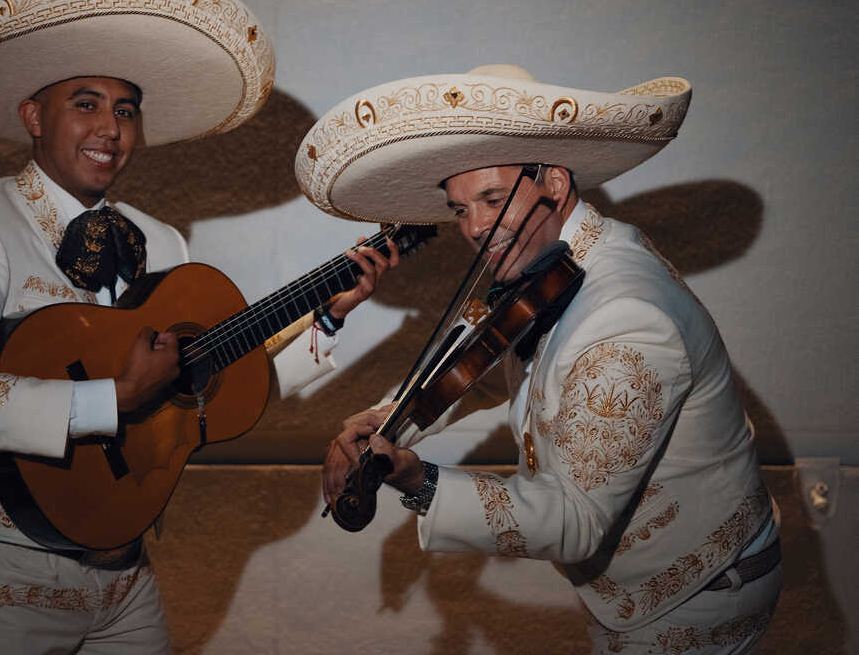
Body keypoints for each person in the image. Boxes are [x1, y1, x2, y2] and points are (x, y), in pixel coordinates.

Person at [0, 0, 397, 654]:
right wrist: (112, 400)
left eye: (125, 110)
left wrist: (327, 314)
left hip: (127, 572)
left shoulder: (159, 241)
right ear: (33, 116)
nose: (110, 128)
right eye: (86, 103)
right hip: (12, 573)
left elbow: (218, 386)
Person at [298, 64, 781, 653]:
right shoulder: (565, 255)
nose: (474, 226)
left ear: (553, 180)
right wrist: (389, 417)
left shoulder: (626, 318)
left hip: (693, 597)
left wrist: (415, 479)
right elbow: (475, 368)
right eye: (459, 208)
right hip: (632, 593)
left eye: (493, 198)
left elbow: (574, 521)